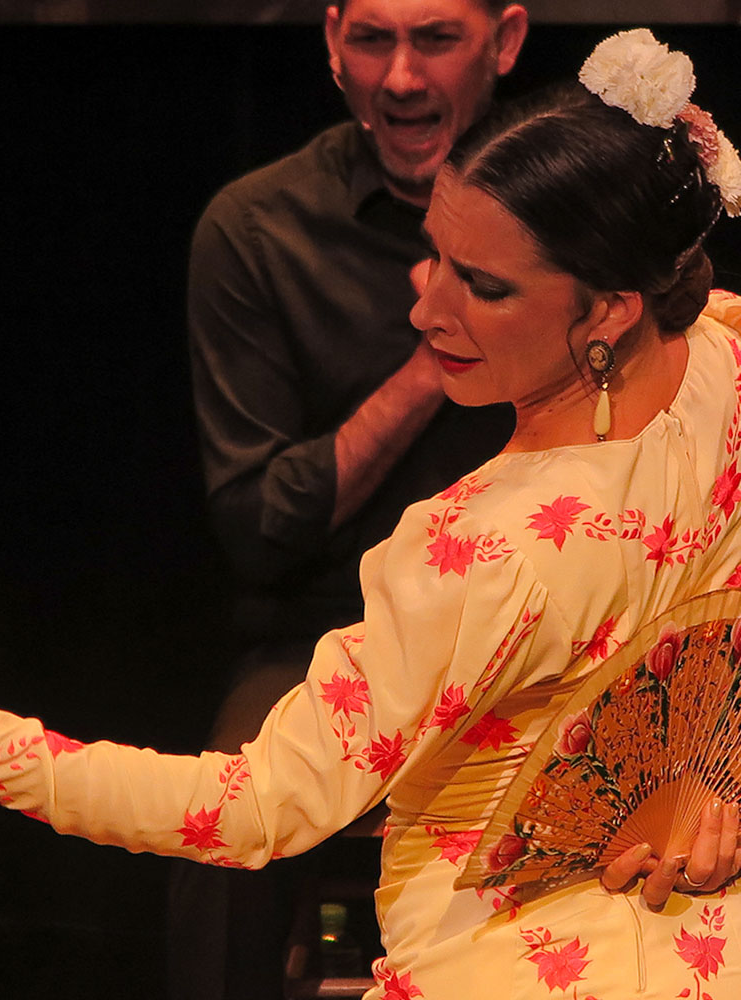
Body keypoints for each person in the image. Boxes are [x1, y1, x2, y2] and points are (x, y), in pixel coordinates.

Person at [0, 29, 741, 999]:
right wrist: (727, 779)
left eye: (482, 285)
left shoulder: (478, 551)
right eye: (435, 258)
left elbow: (259, 807)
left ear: (605, 307)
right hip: (725, 962)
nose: (428, 301)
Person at [180, 1, 525, 993]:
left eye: (437, 39)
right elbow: (257, 529)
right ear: (331, 42)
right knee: (225, 827)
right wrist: (434, 355)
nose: (403, 78)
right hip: (329, 636)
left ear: (502, 40)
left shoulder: (568, 207)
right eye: (373, 40)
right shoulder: (258, 226)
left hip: (542, 625)